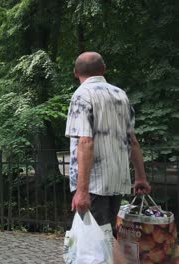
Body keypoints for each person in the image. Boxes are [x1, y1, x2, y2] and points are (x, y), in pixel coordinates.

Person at [65, 52, 151, 263]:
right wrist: (140, 176)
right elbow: (133, 141)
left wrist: (82, 191)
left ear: (76, 73)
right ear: (103, 70)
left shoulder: (81, 95)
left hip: (94, 183)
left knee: (103, 241)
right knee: (103, 237)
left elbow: (85, 142)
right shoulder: (121, 95)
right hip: (117, 179)